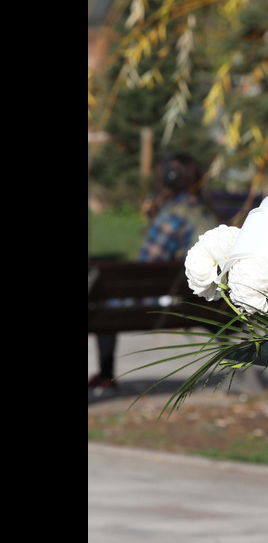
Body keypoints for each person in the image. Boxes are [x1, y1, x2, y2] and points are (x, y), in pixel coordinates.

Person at [88, 153, 218, 391]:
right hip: (206, 301)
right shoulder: (206, 213)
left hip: (167, 300)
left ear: (169, 179)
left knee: (101, 304)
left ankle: (106, 374)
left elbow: (145, 266)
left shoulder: (172, 217)